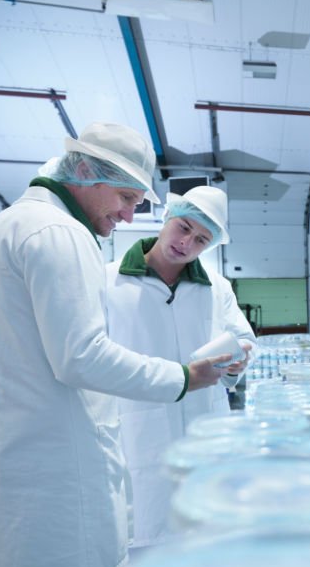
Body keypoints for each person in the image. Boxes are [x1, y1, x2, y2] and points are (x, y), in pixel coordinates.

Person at [0, 122, 231, 567]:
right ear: (85, 172)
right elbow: (81, 356)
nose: (128, 215)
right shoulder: (62, 236)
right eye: (125, 197)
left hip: (1, 480)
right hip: (53, 487)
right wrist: (183, 377)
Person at [104, 185, 255, 547]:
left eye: (201, 239)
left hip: (204, 429)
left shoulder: (216, 288)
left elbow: (242, 337)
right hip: (136, 429)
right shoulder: (108, 281)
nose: (187, 243)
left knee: (205, 538)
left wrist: (238, 362)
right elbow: (95, 359)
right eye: (184, 227)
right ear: (167, 217)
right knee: (144, 537)